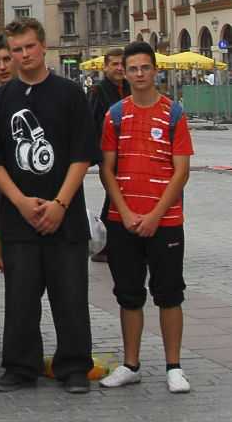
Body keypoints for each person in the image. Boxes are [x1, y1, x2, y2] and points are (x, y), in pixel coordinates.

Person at [0, 17, 101, 394]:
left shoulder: (69, 93)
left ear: (43, 46)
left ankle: (74, 367)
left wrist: (60, 204)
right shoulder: (1, 99)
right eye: (16, 50)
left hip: (65, 216)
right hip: (19, 218)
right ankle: (20, 366)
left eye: (29, 47)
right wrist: (19, 202)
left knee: (70, 298)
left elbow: (83, 154)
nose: (23, 55)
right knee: (20, 299)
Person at [98, 40, 193, 394]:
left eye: (144, 68)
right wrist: (123, 212)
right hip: (123, 219)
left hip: (165, 220)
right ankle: (131, 364)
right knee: (128, 294)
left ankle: (174, 366)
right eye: (132, 68)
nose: (138, 74)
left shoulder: (174, 114)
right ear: (125, 71)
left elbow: (180, 172)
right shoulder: (115, 114)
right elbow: (107, 168)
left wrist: (154, 214)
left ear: (155, 70)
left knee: (169, 294)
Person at [89, 46, 131, 260]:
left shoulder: (130, 86)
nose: (119, 68)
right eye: (114, 64)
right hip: (109, 150)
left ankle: (112, 243)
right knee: (114, 194)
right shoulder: (98, 90)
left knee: (120, 193)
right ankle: (104, 246)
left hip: (129, 149)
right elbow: (92, 122)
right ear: (105, 67)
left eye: (122, 64)